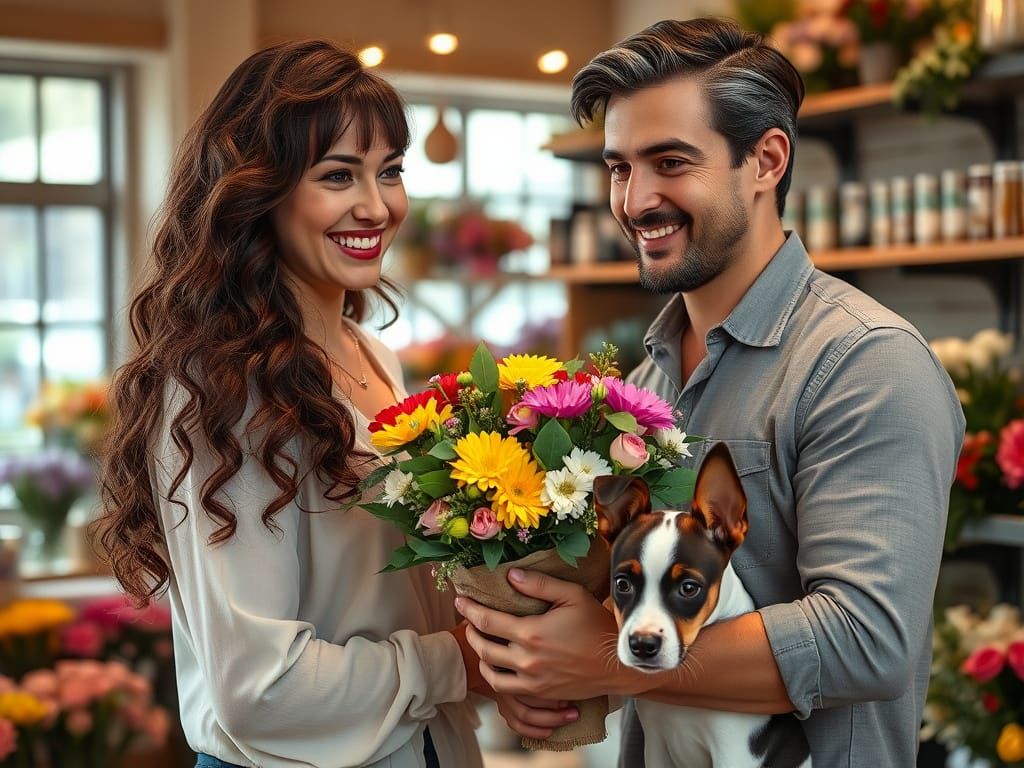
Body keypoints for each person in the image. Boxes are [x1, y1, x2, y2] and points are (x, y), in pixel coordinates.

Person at [455, 17, 966, 766]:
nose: (634, 201)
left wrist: (603, 657)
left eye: (669, 162)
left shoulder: (865, 364)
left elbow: (867, 640)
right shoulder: (642, 385)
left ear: (766, 160)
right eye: (620, 168)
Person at [92, 39, 523, 768]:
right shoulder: (225, 392)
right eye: (337, 175)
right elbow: (257, 686)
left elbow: (396, 597)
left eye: (390, 172)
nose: (376, 205)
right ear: (259, 190)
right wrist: (454, 664)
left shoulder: (373, 358)